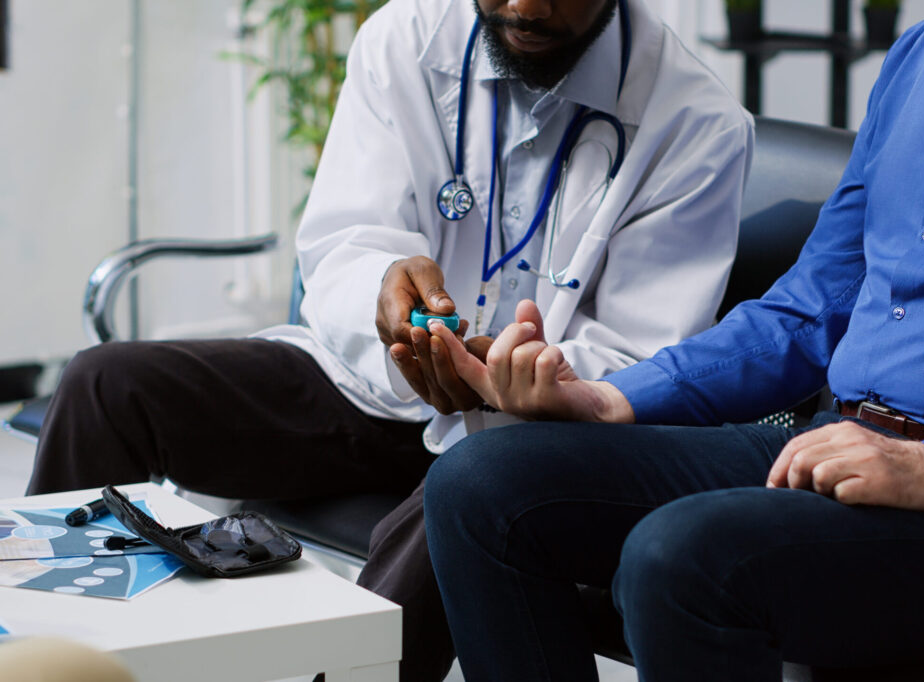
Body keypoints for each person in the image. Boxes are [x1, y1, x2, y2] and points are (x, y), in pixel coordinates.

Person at [25, 0, 753, 679]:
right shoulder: (405, 39)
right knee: (106, 385)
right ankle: (45, 654)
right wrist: (384, 287)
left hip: (518, 427)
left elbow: (638, 356)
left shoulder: (695, 122)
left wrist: (516, 371)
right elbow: (346, 239)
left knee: (470, 492)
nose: (525, 8)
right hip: (377, 377)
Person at [423, 1, 924, 680]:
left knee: (682, 557)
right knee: (483, 484)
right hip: (847, 445)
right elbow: (808, 310)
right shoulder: (922, 52)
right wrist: (606, 399)